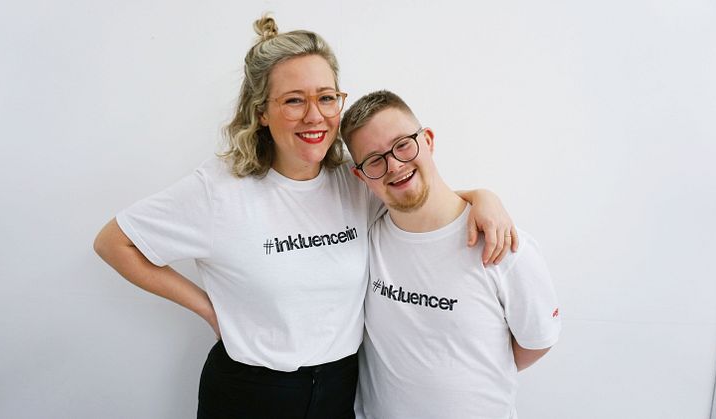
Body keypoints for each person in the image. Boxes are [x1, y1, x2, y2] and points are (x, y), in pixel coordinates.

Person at [93, 16, 517, 419]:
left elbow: (415, 198)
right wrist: (208, 309)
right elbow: (114, 242)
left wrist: (482, 197)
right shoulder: (218, 190)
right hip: (249, 394)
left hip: (341, 388)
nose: (315, 116)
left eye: (326, 98)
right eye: (294, 100)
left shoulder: (351, 182)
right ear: (261, 111)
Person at [340, 90, 561, 419]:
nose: (395, 165)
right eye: (374, 160)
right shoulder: (366, 239)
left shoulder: (505, 246)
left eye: (403, 144)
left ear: (427, 140)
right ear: (361, 176)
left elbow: (536, 342)